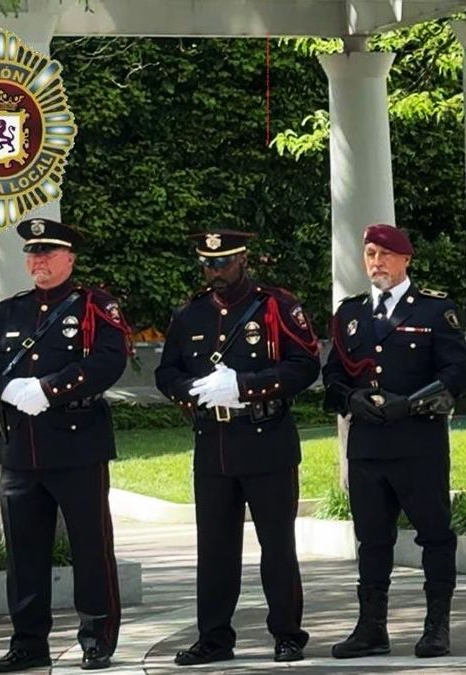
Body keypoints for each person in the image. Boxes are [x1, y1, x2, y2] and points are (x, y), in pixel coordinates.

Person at [0, 218, 129, 672]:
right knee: (23, 552)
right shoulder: (8, 312)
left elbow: (109, 362)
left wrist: (50, 389)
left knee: (91, 546)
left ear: (70, 259)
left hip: (77, 448)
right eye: (32, 254)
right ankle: (28, 642)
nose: (38, 261)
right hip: (20, 451)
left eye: (48, 253)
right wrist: (5, 390)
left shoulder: (95, 306)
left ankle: (97, 637)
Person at [154, 229, 319, 665]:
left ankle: (287, 633)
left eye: (223, 263)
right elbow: (166, 373)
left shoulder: (276, 306)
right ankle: (213, 638)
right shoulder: (190, 313)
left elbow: (305, 365)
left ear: (243, 260)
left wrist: (246, 386)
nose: (215, 273)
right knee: (214, 549)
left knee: (276, 545)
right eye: (208, 265)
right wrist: (193, 391)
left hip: (265, 438)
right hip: (213, 443)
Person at [322, 224, 466, 659]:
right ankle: (371, 628)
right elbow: (332, 375)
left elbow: (455, 373)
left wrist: (411, 404)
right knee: (371, 539)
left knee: (435, 536)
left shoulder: (431, 310)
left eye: (385, 255)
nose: (376, 263)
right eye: (370, 254)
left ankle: (436, 627)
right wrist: (350, 398)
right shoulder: (351, 314)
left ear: (406, 259)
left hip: (417, 442)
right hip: (367, 445)